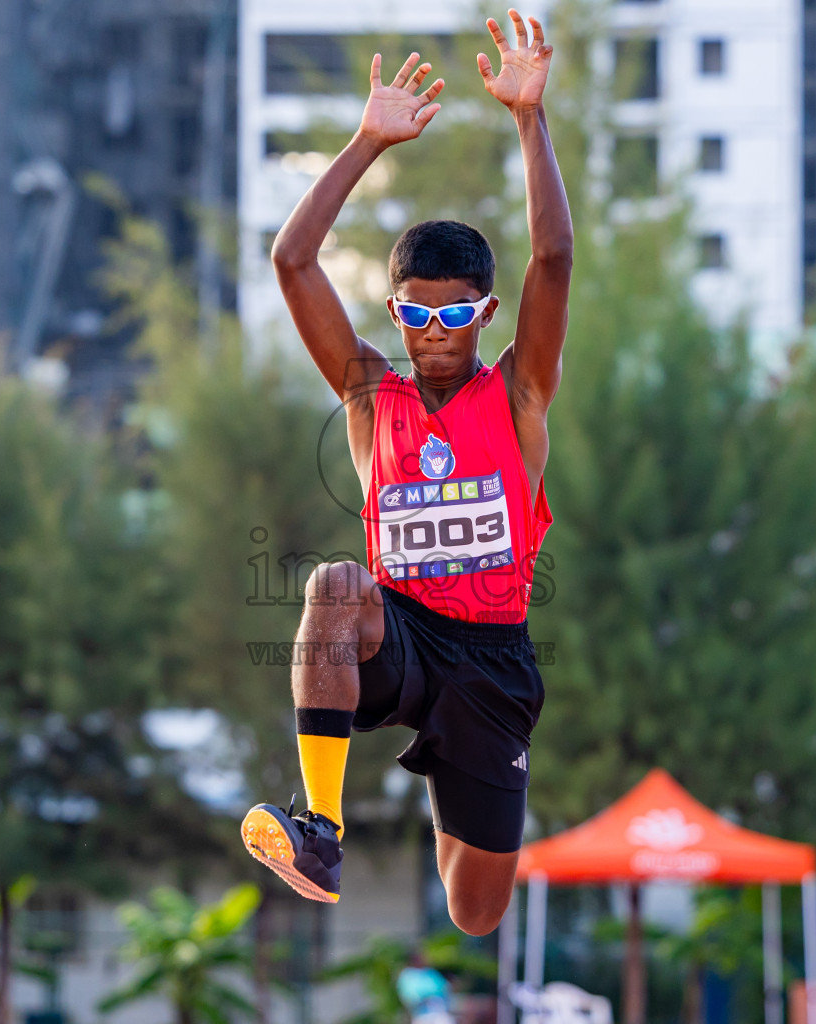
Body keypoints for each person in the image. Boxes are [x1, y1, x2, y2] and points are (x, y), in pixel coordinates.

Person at [239, 8, 572, 937]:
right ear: (396, 314)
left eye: (455, 317)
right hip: (402, 639)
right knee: (334, 587)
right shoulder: (366, 397)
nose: (434, 336)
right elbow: (292, 259)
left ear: (485, 313)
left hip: (493, 665)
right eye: (415, 317)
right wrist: (366, 141)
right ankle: (320, 829)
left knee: (474, 911)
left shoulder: (519, 400)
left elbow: (555, 255)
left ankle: (452, 784)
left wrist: (528, 119)